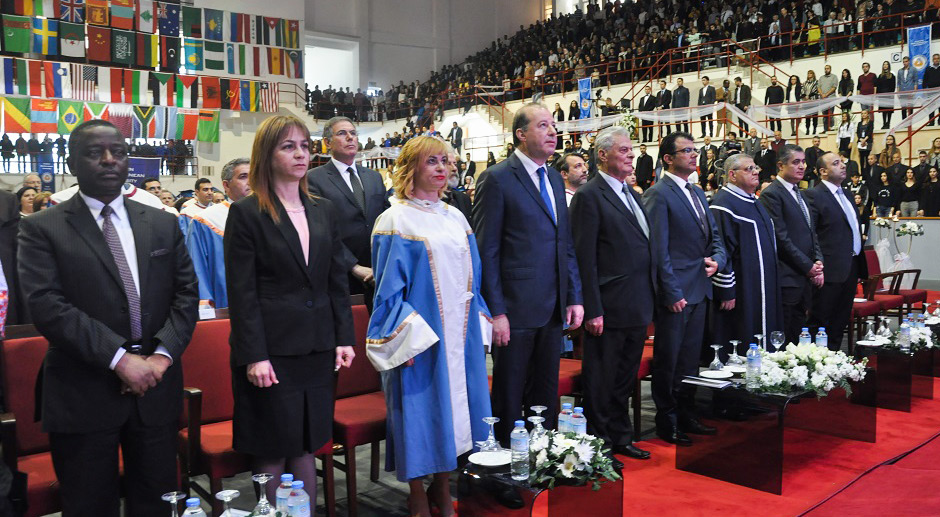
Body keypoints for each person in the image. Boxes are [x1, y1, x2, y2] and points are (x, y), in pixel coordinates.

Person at [17, 120, 198, 515]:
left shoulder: (162, 222)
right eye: (94, 152)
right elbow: (47, 306)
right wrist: (120, 359)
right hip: (83, 390)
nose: (108, 160)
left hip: (155, 388)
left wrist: (160, 357)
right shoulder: (41, 228)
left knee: (157, 502)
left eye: (118, 151)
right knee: (89, 505)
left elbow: (186, 295)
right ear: (71, 163)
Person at [224, 115, 356, 503]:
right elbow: (242, 293)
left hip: (316, 348)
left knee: (306, 444)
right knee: (272, 446)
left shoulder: (324, 209)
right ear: (267, 154)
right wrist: (254, 355)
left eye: (304, 146)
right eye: (288, 146)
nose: (300, 154)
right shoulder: (247, 212)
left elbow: (335, 280)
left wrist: (343, 337)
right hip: (272, 351)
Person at [367, 136, 492, 517]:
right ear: (411, 168)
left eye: (445, 161)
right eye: (431, 161)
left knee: (456, 412)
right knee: (420, 412)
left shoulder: (455, 217)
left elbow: (474, 277)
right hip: (422, 337)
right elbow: (388, 290)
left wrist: (479, 323)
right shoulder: (395, 219)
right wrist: (402, 340)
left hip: (460, 332)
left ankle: (442, 485)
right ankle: (417, 492)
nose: (442, 168)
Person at [472, 103, 583, 442]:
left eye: (553, 125)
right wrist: (496, 312)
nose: (553, 132)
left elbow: (564, 243)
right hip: (515, 307)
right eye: (543, 125)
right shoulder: (497, 178)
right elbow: (487, 251)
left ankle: (542, 452)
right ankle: (508, 458)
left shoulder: (553, 178)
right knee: (509, 392)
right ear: (521, 134)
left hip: (552, 305)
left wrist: (573, 296)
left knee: (545, 391)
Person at [570, 126, 654, 465]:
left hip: (637, 301)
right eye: (623, 150)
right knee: (602, 378)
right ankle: (600, 443)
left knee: (624, 377)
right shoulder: (589, 196)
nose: (631, 155)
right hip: (608, 305)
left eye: (631, 150)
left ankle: (621, 436)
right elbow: (584, 257)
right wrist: (592, 308)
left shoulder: (632, 193)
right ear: (602, 155)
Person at [642, 132, 727, 446]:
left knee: (690, 359)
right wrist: (670, 290)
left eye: (695, 150)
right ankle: (667, 419)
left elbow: (714, 238)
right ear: (668, 158)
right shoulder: (658, 194)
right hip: (676, 291)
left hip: (700, 286)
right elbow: (658, 249)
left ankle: (687, 412)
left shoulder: (697, 191)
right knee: (670, 359)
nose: (694, 155)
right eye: (686, 150)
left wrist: (718, 260)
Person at [307, 116, 391, 311]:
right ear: (327, 142)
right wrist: (354, 267)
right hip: (340, 275)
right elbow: (319, 232)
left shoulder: (374, 177)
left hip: (379, 272)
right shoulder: (314, 179)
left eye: (353, 133)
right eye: (342, 133)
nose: (350, 137)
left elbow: (386, 219)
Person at [708, 153, 783, 350]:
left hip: (762, 284)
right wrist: (726, 290)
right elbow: (720, 249)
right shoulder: (723, 204)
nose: (755, 172)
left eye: (756, 168)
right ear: (732, 175)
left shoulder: (753, 201)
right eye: (749, 169)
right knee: (741, 340)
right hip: (742, 288)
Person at [759, 144, 824, 345]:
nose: (802, 166)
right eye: (796, 162)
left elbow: (811, 233)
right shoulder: (772, 194)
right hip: (787, 277)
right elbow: (781, 238)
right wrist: (808, 266)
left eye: (803, 162)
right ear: (780, 165)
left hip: (804, 277)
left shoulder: (800, 193)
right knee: (783, 337)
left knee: (798, 336)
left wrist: (818, 261)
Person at [805, 152, 867, 351]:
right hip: (828, 268)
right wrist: (816, 263)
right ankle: (816, 361)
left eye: (842, 162)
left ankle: (834, 357)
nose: (843, 166)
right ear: (823, 171)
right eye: (836, 163)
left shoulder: (847, 194)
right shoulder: (814, 195)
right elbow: (811, 233)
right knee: (821, 318)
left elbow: (852, 229)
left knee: (841, 318)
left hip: (851, 265)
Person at [186, 158, 252, 310]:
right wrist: (205, 305)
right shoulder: (206, 220)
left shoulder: (272, 215)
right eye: (243, 177)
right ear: (226, 185)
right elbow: (197, 268)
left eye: (254, 175)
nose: (251, 182)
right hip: (226, 305)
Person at [443, 146, 472, 221]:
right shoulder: (429, 202)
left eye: (455, 164)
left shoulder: (464, 199)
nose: (454, 168)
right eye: (448, 164)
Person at [875, 61, 896, 129]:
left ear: (888, 66)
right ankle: (884, 123)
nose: (885, 66)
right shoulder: (880, 76)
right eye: (884, 64)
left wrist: (890, 94)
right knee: (883, 110)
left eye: (886, 64)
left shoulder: (892, 76)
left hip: (889, 95)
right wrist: (878, 95)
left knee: (889, 110)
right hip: (882, 95)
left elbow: (893, 86)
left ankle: (888, 123)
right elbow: (878, 86)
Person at [818, 65, 838, 132]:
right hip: (823, 99)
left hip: (830, 99)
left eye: (828, 68)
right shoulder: (821, 78)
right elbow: (818, 87)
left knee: (830, 114)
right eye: (825, 69)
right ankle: (825, 129)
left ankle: (831, 129)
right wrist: (822, 94)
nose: (826, 70)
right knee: (824, 115)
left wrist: (826, 94)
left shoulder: (834, 77)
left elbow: (834, 87)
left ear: (830, 69)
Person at [897, 56, 918, 120]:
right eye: (903, 62)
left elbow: (915, 81)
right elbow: (898, 82)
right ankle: (904, 122)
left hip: (910, 91)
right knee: (903, 108)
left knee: (910, 108)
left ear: (909, 61)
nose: (904, 63)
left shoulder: (913, 70)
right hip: (902, 92)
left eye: (906, 61)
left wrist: (915, 91)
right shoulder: (900, 71)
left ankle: (910, 122)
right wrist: (898, 92)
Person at [803, 70, 820, 135]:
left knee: (815, 116)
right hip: (807, 102)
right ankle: (807, 129)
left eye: (810, 73)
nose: (809, 74)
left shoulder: (816, 82)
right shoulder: (805, 83)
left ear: (813, 74)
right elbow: (803, 90)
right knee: (807, 116)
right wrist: (805, 96)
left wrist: (809, 96)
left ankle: (814, 129)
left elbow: (815, 90)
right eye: (808, 73)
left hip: (814, 101)